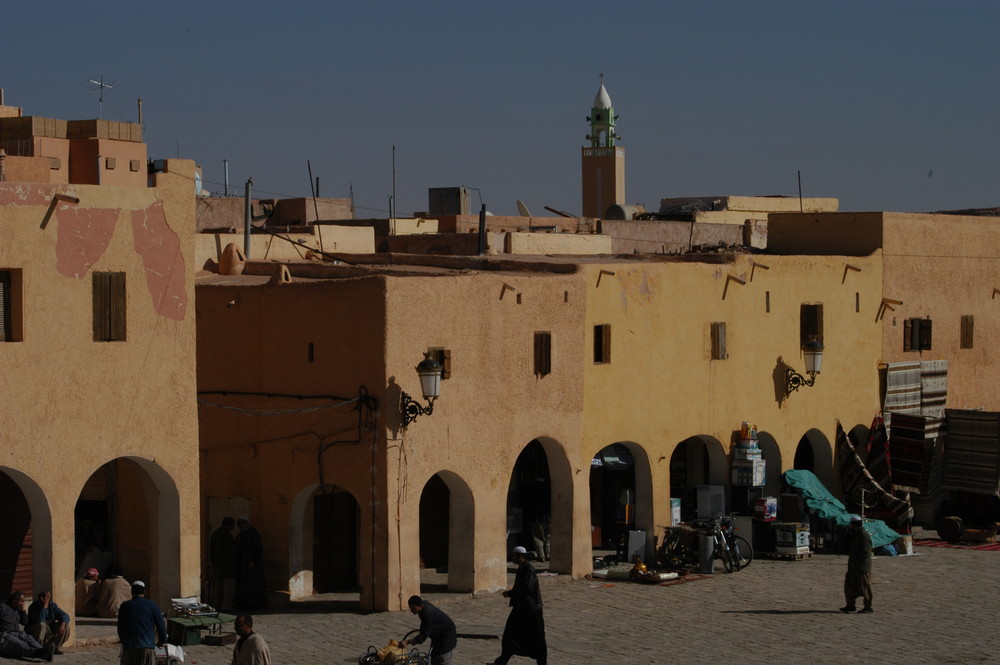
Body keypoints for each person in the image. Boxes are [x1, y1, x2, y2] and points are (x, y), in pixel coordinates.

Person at [493, 546, 547, 665]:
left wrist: (510, 593)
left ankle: (542, 662)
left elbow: (527, 588)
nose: (512, 557)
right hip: (521, 608)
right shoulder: (521, 568)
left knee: (537, 637)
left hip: (531, 609)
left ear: (520, 556)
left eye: (513, 555)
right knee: (510, 635)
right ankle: (502, 661)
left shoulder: (529, 570)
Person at [117, 581, 167, 665]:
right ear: (144, 592)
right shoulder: (152, 605)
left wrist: (123, 640)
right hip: (147, 645)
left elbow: (120, 627)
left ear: (132, 592)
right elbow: (161, 625)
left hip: (130, 646)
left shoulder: (124, 606)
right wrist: (162, 641)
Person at [401, 595, 456, 665]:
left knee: (442, 660)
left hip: (447, 637)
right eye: (410, 608)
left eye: (413, 608)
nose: (411, 610)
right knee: (434, 658)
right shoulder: (424, 605)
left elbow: (423, 636)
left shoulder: (428, 615)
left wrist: (407, 642)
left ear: (420, 606)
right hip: (437, 635)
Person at [0, 591, 54, 661]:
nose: (23, 603)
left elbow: (24, 622)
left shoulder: (17, 609)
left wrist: (23, 611)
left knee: (30, 639)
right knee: (21, 644)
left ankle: (43, 652)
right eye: (21, 601)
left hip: (18, 633)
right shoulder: (2, 608)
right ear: (14, 600)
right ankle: (39, 654)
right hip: (5, 634)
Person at [841, 514, 874, 614]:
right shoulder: (856, 534)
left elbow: (865, 552)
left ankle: (868, 607)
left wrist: (858, 564)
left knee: (865, 587)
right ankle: (850, 605)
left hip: (861, 567)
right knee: (849, 586)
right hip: (853, 567)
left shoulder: (863, 535)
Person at [235, 516, 266, 608]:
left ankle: (255, 604)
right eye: (238, 524)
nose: (239, 526)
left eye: (241, 524)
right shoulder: (241, 534)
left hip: (252, 566)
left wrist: (253, 561)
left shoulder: (253, 533)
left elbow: (257, 548)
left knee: (253, 585)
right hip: (244, 565)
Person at [27, 590, 70, 655]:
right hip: (35, 632)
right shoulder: (33, 607)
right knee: (42, 624)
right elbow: (40, 619)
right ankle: (38, 649)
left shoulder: (52, 606)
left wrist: (62, 624)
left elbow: (65, 616)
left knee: (66, 626)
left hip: (48, 631)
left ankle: (55, 647)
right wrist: (45, 605)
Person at [210, 516, 238, 611]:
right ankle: (226, 608)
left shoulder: (215, 534)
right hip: (227, 568)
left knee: (217, 590)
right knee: (227, 591)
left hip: (218, 566)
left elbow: (211, 550)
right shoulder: (227, 536)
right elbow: (231, 551)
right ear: (230, 526)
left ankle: (215, 607)